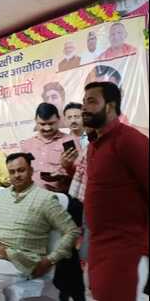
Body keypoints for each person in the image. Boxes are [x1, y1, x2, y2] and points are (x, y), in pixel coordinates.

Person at [0, 153, 80, 301]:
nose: (17, 175)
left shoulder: (46, 199)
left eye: (21, 170)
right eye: (12, 172)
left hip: (22, 258)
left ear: (31, 171)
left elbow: (71, 231)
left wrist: (50, 259)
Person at [81, 81, 148, 301]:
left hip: (126, 247)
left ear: (110, 106)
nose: (84, 108)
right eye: (84, 101)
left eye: (91, 101)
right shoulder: (93, 145)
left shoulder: (129, 140)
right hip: (98, 245)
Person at [21, 103, 80, 193]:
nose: (47, 128)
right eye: (42, 124)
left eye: (51, 123)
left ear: (59, 119)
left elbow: (81, 172)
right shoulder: (27, 144)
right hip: (30, 196)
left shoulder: (69, 141)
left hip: (59, 197)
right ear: (36, 121)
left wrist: (67, 168)